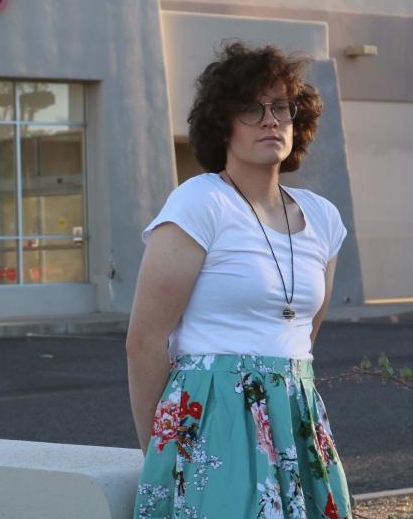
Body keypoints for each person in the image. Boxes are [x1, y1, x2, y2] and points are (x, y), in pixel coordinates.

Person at [127, 42, 351, 519]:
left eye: (281, 108)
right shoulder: (200, 203)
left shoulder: (324, 218)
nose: (271, 120)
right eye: (252, 108)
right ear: (222, 124)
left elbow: (302, 336)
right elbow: (145, 342)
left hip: (297, 415)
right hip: (213, 419)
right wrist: (162, 452)